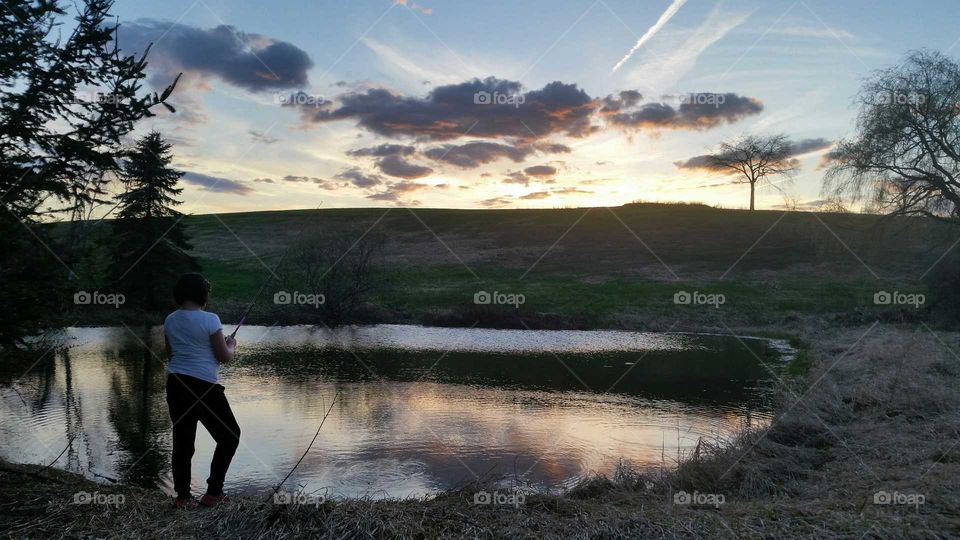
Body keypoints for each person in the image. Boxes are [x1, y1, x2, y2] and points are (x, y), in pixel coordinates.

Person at [164, 273, 239, 509]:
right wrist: (231, 345)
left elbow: (171, 354)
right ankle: (213, 492)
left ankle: (183, 498)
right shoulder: (210, 320)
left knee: (183, 441)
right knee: (230, 436)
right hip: (204, 387)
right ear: (203, 295)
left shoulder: (170, 320)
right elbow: (224, 357)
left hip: (176, 384)